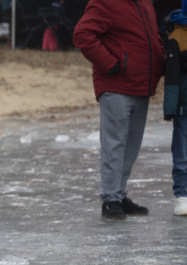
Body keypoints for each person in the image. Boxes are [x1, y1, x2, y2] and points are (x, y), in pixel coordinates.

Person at [73, 0, 163, 220]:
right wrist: (111, 63)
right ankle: (110, 199)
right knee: (114, 144)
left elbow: (153, 39)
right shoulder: (105, 2)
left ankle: (119, 194)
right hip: (116, 86)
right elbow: (82, 34)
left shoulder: (145, 3)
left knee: (130, 147)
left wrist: (162, 60)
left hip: (141, 86)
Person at [166, 0, 187, 216]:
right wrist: (170, 107)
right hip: (184, 109)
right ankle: (182, 194)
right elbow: (172, 78)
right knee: (182, 153)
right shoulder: (178, 38)